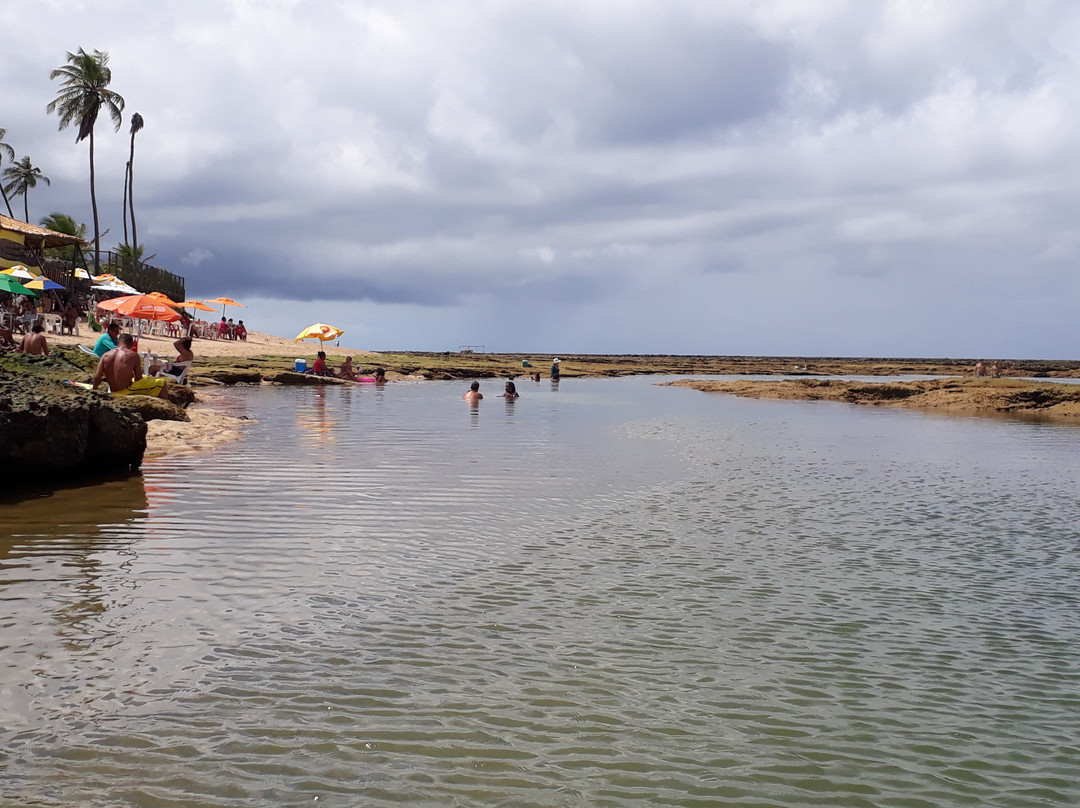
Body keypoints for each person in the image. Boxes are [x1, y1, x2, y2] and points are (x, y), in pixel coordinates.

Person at [93, 333, 177, 400]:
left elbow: (97, 376)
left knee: (146, 377)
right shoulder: (133, 355)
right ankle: (166, 404)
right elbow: (138, 378)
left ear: (118, 342)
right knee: (161, 383)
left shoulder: (106, 355)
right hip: (126, 390)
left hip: (112, 390)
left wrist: (94, 390)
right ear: (131, 345)